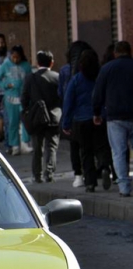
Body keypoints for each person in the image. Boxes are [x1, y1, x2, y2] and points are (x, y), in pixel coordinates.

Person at [62, 49, 112, 192]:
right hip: (100, 117)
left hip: (81, 121)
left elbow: (68, 102)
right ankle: (104, 166)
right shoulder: (100, 77)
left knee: (86, 152)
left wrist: (66, 123)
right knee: (102, 147)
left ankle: (90, 182)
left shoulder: (76, 80)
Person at [92, 41, 133, 197]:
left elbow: (97, 94)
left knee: (118, 152)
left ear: (115, 53)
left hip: (115, 117)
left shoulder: (107, 69)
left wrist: (96, 113)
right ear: (130, 51)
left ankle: (124, 188)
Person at [22, 50, 61, 183]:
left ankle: (37, 175)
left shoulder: (30, 78)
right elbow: (62, 97)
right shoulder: (57, 77)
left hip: (37, 117)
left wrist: (28, 112)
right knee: (51, 146)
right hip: (54, 117)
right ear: (52, 62)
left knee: (37, 147)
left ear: (37, 63)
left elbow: (24, 99)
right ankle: (49, 173)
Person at [59, 41, 92, 188]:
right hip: (92, 114)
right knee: (90, 147)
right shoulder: (94, 69)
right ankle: (95, 173)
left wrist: (65, 121)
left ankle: (78, 175)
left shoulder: (65, 70)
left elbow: (62, 94)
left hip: (73, 115)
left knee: (75, 146)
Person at [0, 45, 32, 155]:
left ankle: (25, 143)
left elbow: (30, 79)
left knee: (25, 120)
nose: (15, 60)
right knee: (12, 122)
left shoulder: (26, 66)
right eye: (13, 57)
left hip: (24, 96)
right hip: (10, 97)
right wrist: (6, 84)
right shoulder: (6, 65)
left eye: (17, 57)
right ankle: (14, 145)